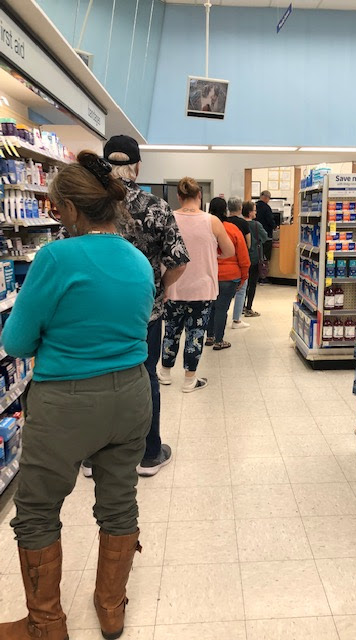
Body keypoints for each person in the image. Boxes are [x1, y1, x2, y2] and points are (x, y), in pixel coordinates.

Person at [0, 151, 155, 640]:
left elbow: (16, 342)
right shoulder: (138, 259)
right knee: (119, 501)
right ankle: (111, 608)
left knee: (38, 510)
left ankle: (46, 623)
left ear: (69, 208)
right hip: (131, 394)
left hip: (66, 402)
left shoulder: (55, 257)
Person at [101, 135, 190, 478]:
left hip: (95, 313)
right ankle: (150, 453)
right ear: (137, 166)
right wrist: (161, 288)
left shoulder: (89, 205)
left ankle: (95, 457)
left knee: (99, 377)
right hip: (144, 312)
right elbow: (179, 260)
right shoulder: (156, 207)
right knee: (145, 376)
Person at [159, 178, 234, 392]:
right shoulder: (212, 221)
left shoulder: (168, 218)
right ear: (199, 195)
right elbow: (229, 251)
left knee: (171, 332)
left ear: (179, 197)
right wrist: (212, 254)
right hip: (202, 288)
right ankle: (189, 380)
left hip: (173, 286)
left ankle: (165, 373)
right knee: (195, 334)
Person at [206, 197, 250, 350]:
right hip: (230, 277)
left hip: (209, 274)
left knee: (211, 307)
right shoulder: (232, 229)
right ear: (225, 210)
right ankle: (219, 340)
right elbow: (243, 256)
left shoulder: (204, 228)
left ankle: (209, 336)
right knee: (222, 308)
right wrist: (244, 277)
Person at [227, 196, 251, 330]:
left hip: (224, 261)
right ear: (240, 208)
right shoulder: (243, 224)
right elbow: (248, 243)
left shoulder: (223, 222)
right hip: (239, 261)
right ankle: (236, 320)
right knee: (241, 290)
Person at [242, 200, 267, 317]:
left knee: (243, 284)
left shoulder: (240, 224)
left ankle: (241, 306)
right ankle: (249, 308)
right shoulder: (257, 225)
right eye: (254, 210)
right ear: (250, 212)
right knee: (252, 284)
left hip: (242, 257)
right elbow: (265, 237)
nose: (256, 212)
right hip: (255, 257)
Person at [255, 190, 277, 282]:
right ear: (266, 198)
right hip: (266, 236)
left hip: (255, 236)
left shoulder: (254, 206)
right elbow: (270, 220)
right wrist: (275, 226)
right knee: (265, 257)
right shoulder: (266, 208)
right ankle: (263, 277)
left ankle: (256, 276)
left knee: (257, 256)